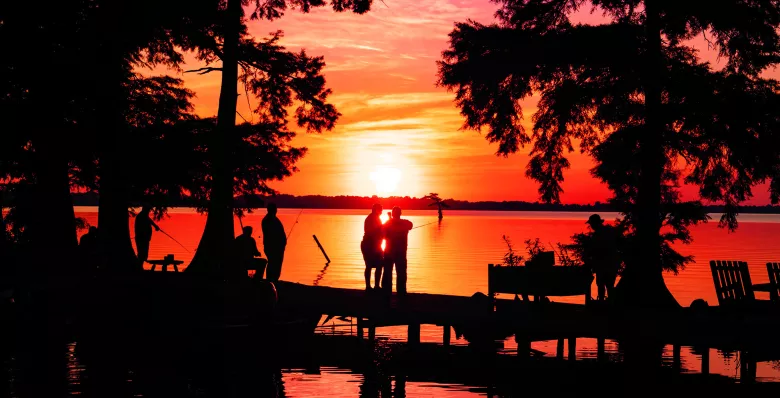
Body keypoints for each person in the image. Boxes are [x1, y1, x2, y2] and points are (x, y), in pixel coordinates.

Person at [585, 214, 621, 301]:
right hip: (612, 263)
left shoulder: (597, 235)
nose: (591, 226)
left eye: (592, 224)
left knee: (601, 285)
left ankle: (602, 303)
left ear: (595, 223)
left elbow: (595, 250)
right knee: (609, 285)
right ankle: (610, 303)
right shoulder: (610, 231)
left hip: (603, 264)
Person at [381, 206, 413, 294]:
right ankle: (389, 290)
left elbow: (411, 225)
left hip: (399, 252)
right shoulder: (390, 223)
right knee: (389, 272)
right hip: (390, 251)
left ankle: (399, 291)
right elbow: (383, 232)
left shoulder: (404, 222)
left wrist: (392, 221)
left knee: (400, 272)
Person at [361, 203, 384, 290]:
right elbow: (374, 232)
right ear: (376, 210)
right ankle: (370, 286)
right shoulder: (371, 218)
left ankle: (375, 286)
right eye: (380, 210)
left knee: (377, 265)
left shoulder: (375, 218)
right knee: (371, 265)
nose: (381, 212)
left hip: (374, 244)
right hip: (369, 245)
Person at [262, 203, 287, 282]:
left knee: (276, 264)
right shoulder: (269, 220)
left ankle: (274, 280)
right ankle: (271, 281)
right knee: (274, 263)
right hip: (273, 247)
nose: (276, 210)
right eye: (275, 209)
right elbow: (273, 234)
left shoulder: (272, 219)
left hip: (277, 247)